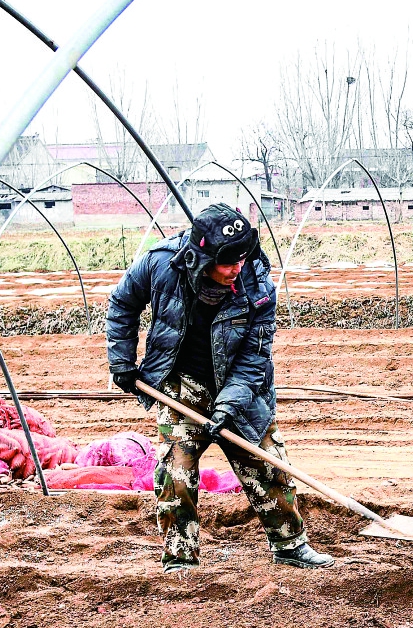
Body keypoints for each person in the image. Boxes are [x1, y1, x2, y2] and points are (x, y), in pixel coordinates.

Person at [106, 202, 333, 572]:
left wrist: (228, 406)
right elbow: (123, 302)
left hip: (239, 387)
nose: (237, 269)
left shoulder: (257, 284)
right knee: (175, 470)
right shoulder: (161, 264)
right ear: (201, 256)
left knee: (268, 464)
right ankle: (180, 559)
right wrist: (121, 361)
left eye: (242, 259)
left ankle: (291, 545)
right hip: (180, 384)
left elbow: (255, 358)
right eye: (228, 263)